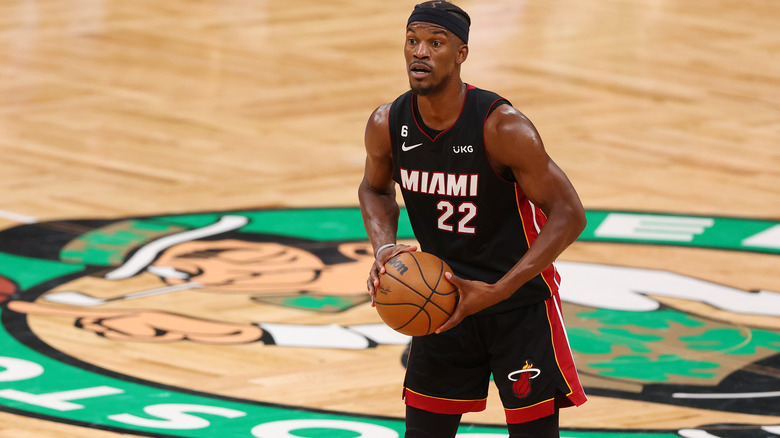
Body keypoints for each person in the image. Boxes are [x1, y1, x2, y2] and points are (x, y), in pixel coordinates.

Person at [358, 1, 588, 437]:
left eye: (435, 43)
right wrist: (385, 247)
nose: (420, 52)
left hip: (518, 304)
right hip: (442, 300)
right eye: (412, 41)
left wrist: (499, 290)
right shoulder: (388, 122)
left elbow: (569, 214)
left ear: (461, 53)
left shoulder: (502, 128)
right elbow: (373, 188)